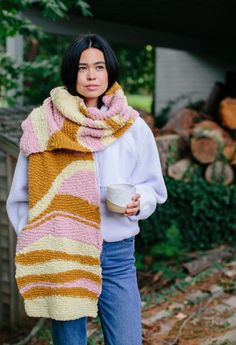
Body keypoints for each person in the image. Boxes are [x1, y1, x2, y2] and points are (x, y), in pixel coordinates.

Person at [6, 34, 167, 345]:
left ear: (110, 71)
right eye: (83, 68)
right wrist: (45, 236)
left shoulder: (132, 127)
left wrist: (140, 202)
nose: (92, 76)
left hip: (117, 256)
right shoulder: (43, 125)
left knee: (127, 340)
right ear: (71, 72)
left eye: (99, 67)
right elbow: (20, 197)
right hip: (63, 252)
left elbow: (152, 187)